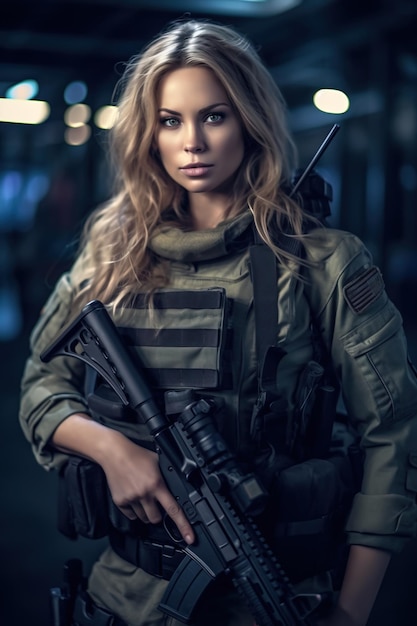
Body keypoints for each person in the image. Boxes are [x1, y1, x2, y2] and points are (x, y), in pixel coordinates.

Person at [19, 17, 417, 626]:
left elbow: (394, 436)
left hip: (271, 588)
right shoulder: (113, 250)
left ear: (250, 119)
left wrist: (352, 612)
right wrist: (111, 449)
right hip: (122, 595)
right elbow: (40, 386)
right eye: (170, 120)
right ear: (147, 133)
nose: (192, 143)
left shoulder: (318, 261)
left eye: (214, 115)